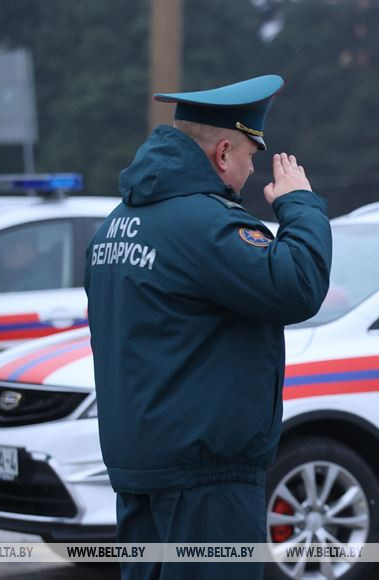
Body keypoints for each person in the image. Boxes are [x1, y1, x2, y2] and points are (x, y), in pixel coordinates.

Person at [85, 75, 332, 580]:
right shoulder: (207, 224)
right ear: (223, 153)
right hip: (205, 476)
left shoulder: (114, 223)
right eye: (249, 156)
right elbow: (297, 287)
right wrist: (300, 204)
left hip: (141, 467)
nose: (251, 170)